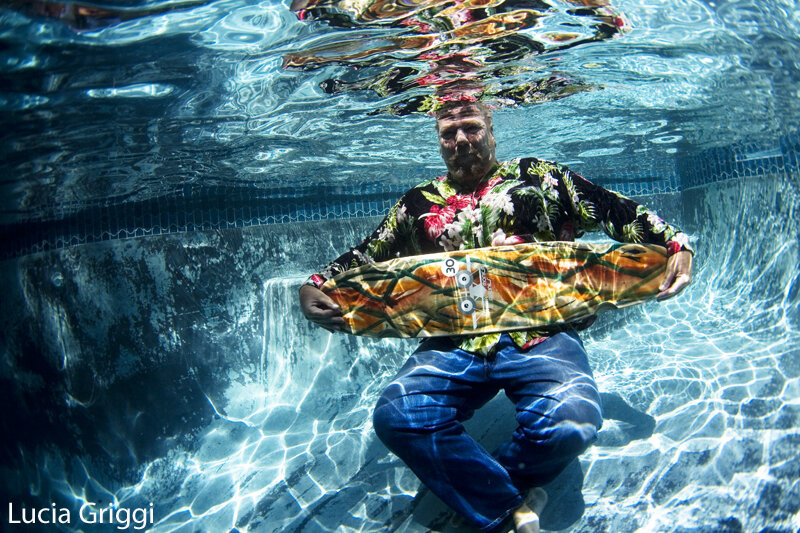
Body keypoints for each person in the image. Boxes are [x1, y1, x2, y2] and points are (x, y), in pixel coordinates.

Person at [298, 99, 693, 533]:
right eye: (449, 132)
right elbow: (368, 253)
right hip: (454, 340)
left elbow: (613, 209)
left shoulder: (541, 177)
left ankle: (497, 492)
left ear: (490, 126)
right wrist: (315, 283)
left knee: (572, 421)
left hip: (541, 332)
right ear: (439, 139)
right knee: (397, 417)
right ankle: (509, 508)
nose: (461, 140)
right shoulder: (417, 204)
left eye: (470, 126)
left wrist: (676, 245)